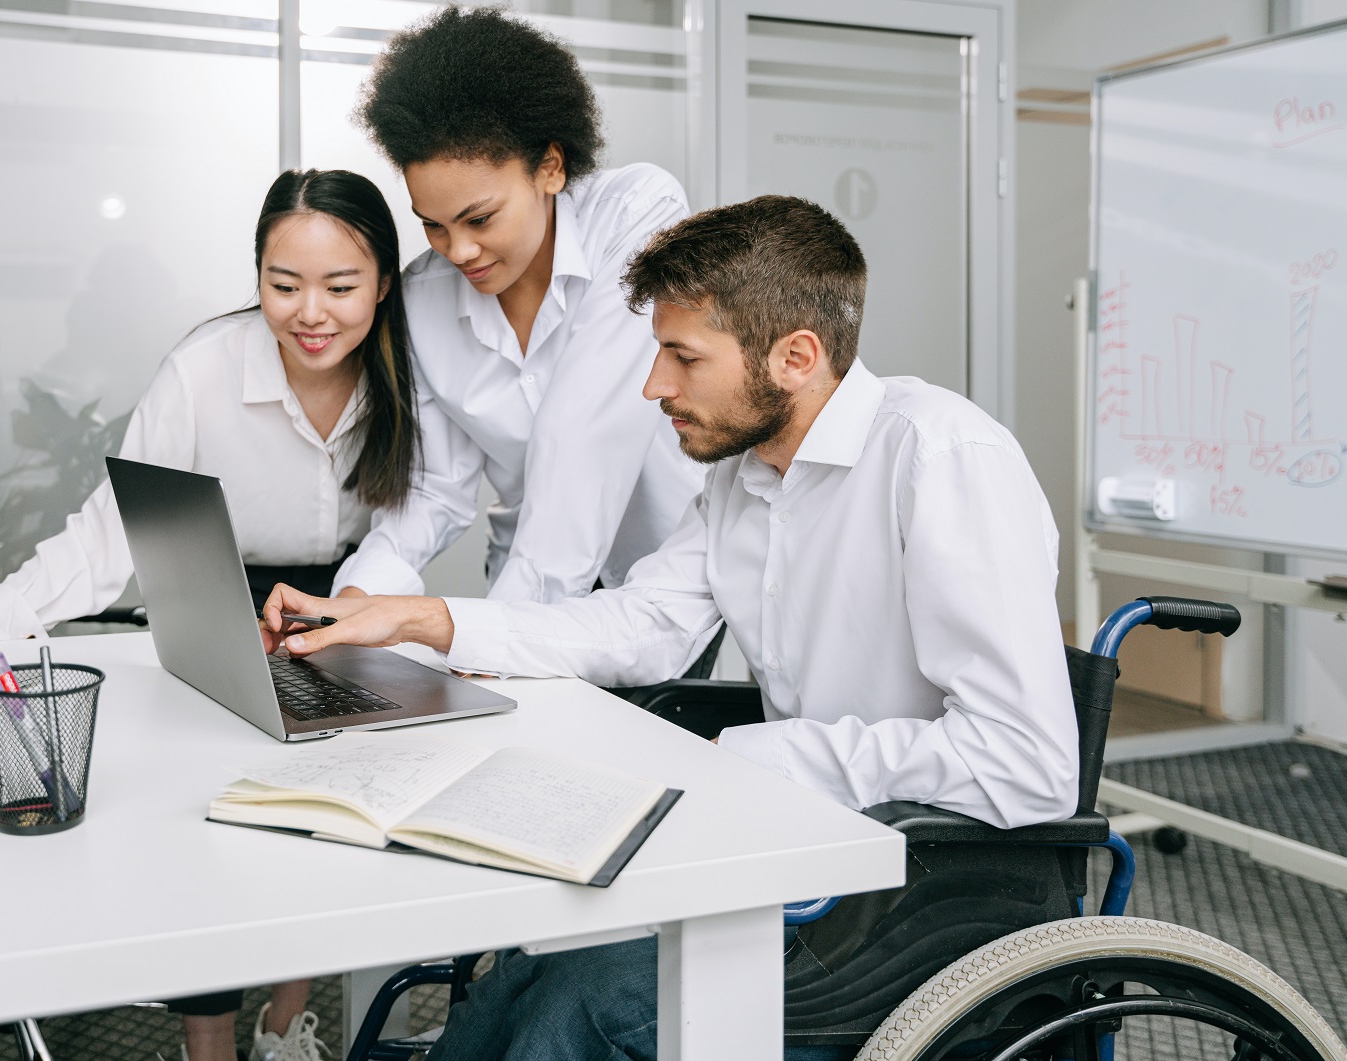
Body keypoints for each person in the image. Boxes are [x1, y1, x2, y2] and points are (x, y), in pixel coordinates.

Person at [258, 196, 1080, 1060]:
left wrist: (773, 753)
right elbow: (647, 621)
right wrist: (420, 619)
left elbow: (1026, 765)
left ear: (795, 356)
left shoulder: (940, 458)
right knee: (530, 968)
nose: (653, 386)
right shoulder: (745, 476)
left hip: (931, 895)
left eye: (682, 356)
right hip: (808, 852)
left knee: (577, 1010)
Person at [0, 168, 423, 1061]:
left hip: (343, 603)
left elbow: (412, 521)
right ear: (256, 278)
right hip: (214, 594)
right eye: (283, 286)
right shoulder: (204, 370)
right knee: (209, 816)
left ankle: (289, 1016)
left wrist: (357, 611)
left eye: (340, 286)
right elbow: (108, 537)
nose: (310, 312)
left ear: (385, 284)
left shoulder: (408, 374)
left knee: (332, 812)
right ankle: (204, 1039)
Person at [331, 8, 710, 661]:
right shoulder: (422, 298)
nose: (460, 250)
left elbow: (582, 437)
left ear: (551, 167)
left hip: (657, 587)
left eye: (479, 217)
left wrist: (490, 644)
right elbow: (433, 489)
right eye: (434, 225)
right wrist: (357, 600)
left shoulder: (636, 212)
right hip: (517, 581)